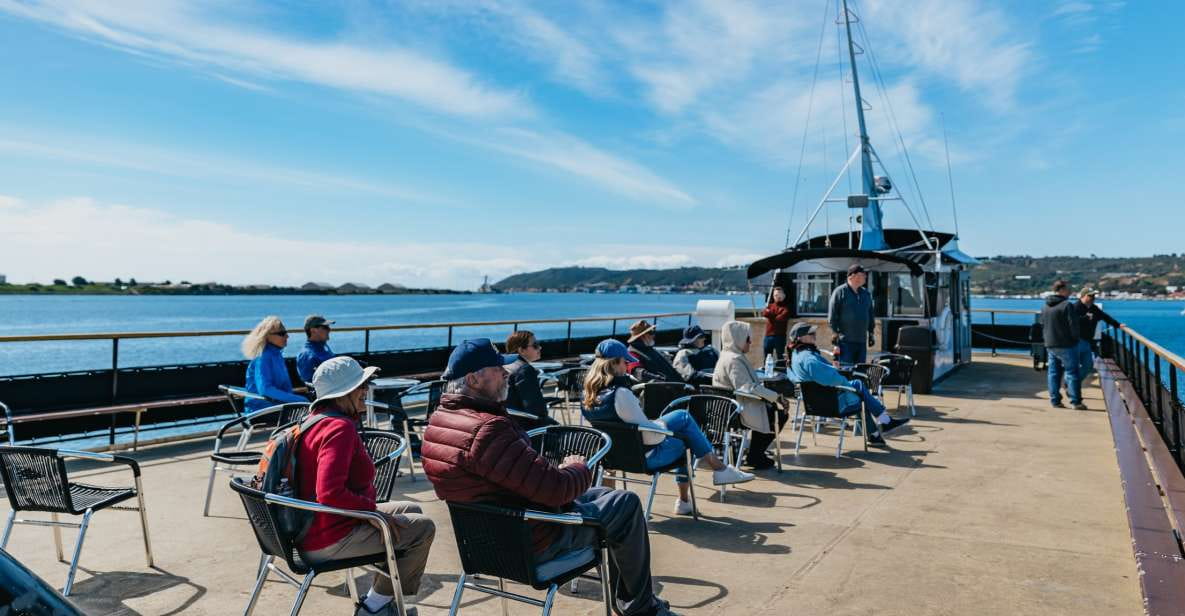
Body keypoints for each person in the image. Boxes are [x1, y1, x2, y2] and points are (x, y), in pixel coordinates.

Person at [420, 338, 682, 616]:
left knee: (607, 496)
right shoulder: (487, 430)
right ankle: (641, 608)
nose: (506, 373)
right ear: (473, 379)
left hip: (488, 542)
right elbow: (557, 491)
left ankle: (631, 602)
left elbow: (502, 482)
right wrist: (578, 467)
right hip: (535, 542)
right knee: (626, 504)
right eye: (498, 369)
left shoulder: (438, 424)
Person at [297, 356, 436, 616]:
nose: (366, 390)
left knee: (413, 510)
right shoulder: (339, 428)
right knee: (422, 529)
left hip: (311, 528)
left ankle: (382, 601)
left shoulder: (313, 421)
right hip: (329, 538)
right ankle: (374, 608)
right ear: (344, 392)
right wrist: (371, 512)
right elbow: (329, 493)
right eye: (360, 385)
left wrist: (370, 512)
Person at [583, 339, 753, 515]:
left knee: (681, 421)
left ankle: (609, 504)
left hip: (612, 458)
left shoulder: (588, 395)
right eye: (625, 362)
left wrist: (654, 424)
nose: (627, 366)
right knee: (685, 434)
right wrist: (661, 424)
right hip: (644, 459)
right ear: (614, 363)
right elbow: (651, 438)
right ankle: (699, 487)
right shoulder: (621, 394)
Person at [787, 322, 909, 446]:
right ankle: (884, 422)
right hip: (831, 405)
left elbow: (811, 376)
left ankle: (875, 434)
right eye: (810, 333)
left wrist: (835, 371)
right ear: (800, 338)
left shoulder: (795, 355)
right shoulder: (809, 358)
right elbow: (831, 379)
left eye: (814, 332)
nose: (814, 335)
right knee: (859, 391)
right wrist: (845, 382)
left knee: (858, 388)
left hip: (814, 403)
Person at [712, 320, 788, 470]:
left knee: (771, 410)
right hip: (736, 410)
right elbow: (746, 387)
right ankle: (756, 455)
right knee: (777, 414)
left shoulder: (726, 355)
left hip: (727, 407)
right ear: (738, 338)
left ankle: (755, 453)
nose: (750, 342)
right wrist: (776, 397)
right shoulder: (734, 360)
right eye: (747, 339)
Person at [241, 316, 307, 412]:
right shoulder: (263, 358)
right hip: (261, 410)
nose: (287, 336)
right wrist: (299, 400)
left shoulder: (277, 355)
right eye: (282, 333)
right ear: (267, 336)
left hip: (277, 406)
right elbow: (265, 389)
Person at [1041, 280, 1085, 410]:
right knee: (1072, 372)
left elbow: (1043, 324)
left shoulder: (1045, 306)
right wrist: (1075, 339)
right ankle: (1076, 402)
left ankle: (1055, 401)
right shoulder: (1067, 305)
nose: (1070, 291)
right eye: (1067, 289)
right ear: (1061, 290)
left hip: (1050, 343)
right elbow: (1073, 326)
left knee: (1053, 373)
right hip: (1066, 344)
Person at [504, 330, 560, 428]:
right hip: (523, 427)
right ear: (521, 350)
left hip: (505, 422)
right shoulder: (524, 370)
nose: (540, 347)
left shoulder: (502, 365)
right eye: (535, 345)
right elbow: (536, 410)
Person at [828, 264, 876, 364]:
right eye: (862, 275)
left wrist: (871, 333)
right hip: (845, 342)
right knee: (847, 370)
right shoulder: (840, 292)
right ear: (852, 276)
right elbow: (832, 316)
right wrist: (835, 338)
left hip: (861, 341)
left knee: (860, 370)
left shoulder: (866, 294)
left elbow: (870, 315)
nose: (865, 277)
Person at [1075, 288, 1121, 381]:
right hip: (1077, 340)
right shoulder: (1075, 307)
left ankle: (1073, 381)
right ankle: (1073, 383)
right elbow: (1071, 322)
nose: (1093, 298)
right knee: (1074, 365)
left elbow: (1104, 316)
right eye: (1090, 296)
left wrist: (1117, 324)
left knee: (1088, 366)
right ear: (1083, 296)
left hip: (1089, 340)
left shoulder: (1093, 308)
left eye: (1094, 296)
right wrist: (1085, 318)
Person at [297, 314, 336, 384]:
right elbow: (310, 383)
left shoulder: (323, 347)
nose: (329, 330)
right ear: (313, 331)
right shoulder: (307, 355)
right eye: (325, 327)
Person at [761, 287, 791, 360]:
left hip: (780, 337)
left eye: (780, 295)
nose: (778, 297)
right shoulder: (770, 305)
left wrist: (770, 314)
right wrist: (776, 314)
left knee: (780, 358)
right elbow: (764, 313)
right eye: (776, 295)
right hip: (768, 336)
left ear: (784, 296)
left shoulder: (786, 308)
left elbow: (780, 318)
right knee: (767, 358)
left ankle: (781, 367)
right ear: (773, 296)